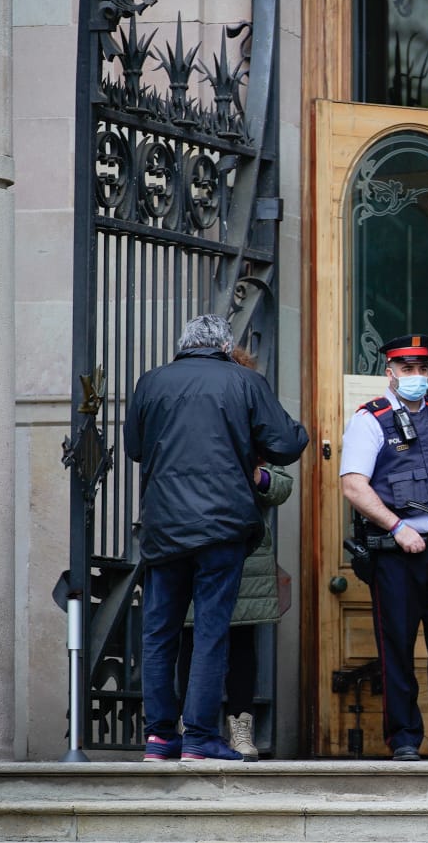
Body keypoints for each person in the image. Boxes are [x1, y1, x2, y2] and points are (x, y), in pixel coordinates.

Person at [125, 314, 309, 762]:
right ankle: (200, 737)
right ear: (226, 345)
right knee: (210, 632)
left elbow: (134, 447)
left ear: (183, 343)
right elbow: (287, 444)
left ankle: (159, 736)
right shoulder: (244, 381)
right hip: (223, 527)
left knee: (159, 634)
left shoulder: (152, 382)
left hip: (164, 527)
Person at [339, 334, 428, 761]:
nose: (416, 376)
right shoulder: (370, 418)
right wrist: (397, 526)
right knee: (396, 647)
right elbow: (353, 486)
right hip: (395, 551)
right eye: (407, 369)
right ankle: (404, 738)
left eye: (422, 369)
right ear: (390, 372)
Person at [177, 346, 295, 761]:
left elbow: (282, 485)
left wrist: (256, 475)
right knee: (191, 641)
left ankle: (240, 727)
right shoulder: (192, 425)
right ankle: (189, 724)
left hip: (248, 554)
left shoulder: (257, 423)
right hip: (198, 543)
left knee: (242, 645)